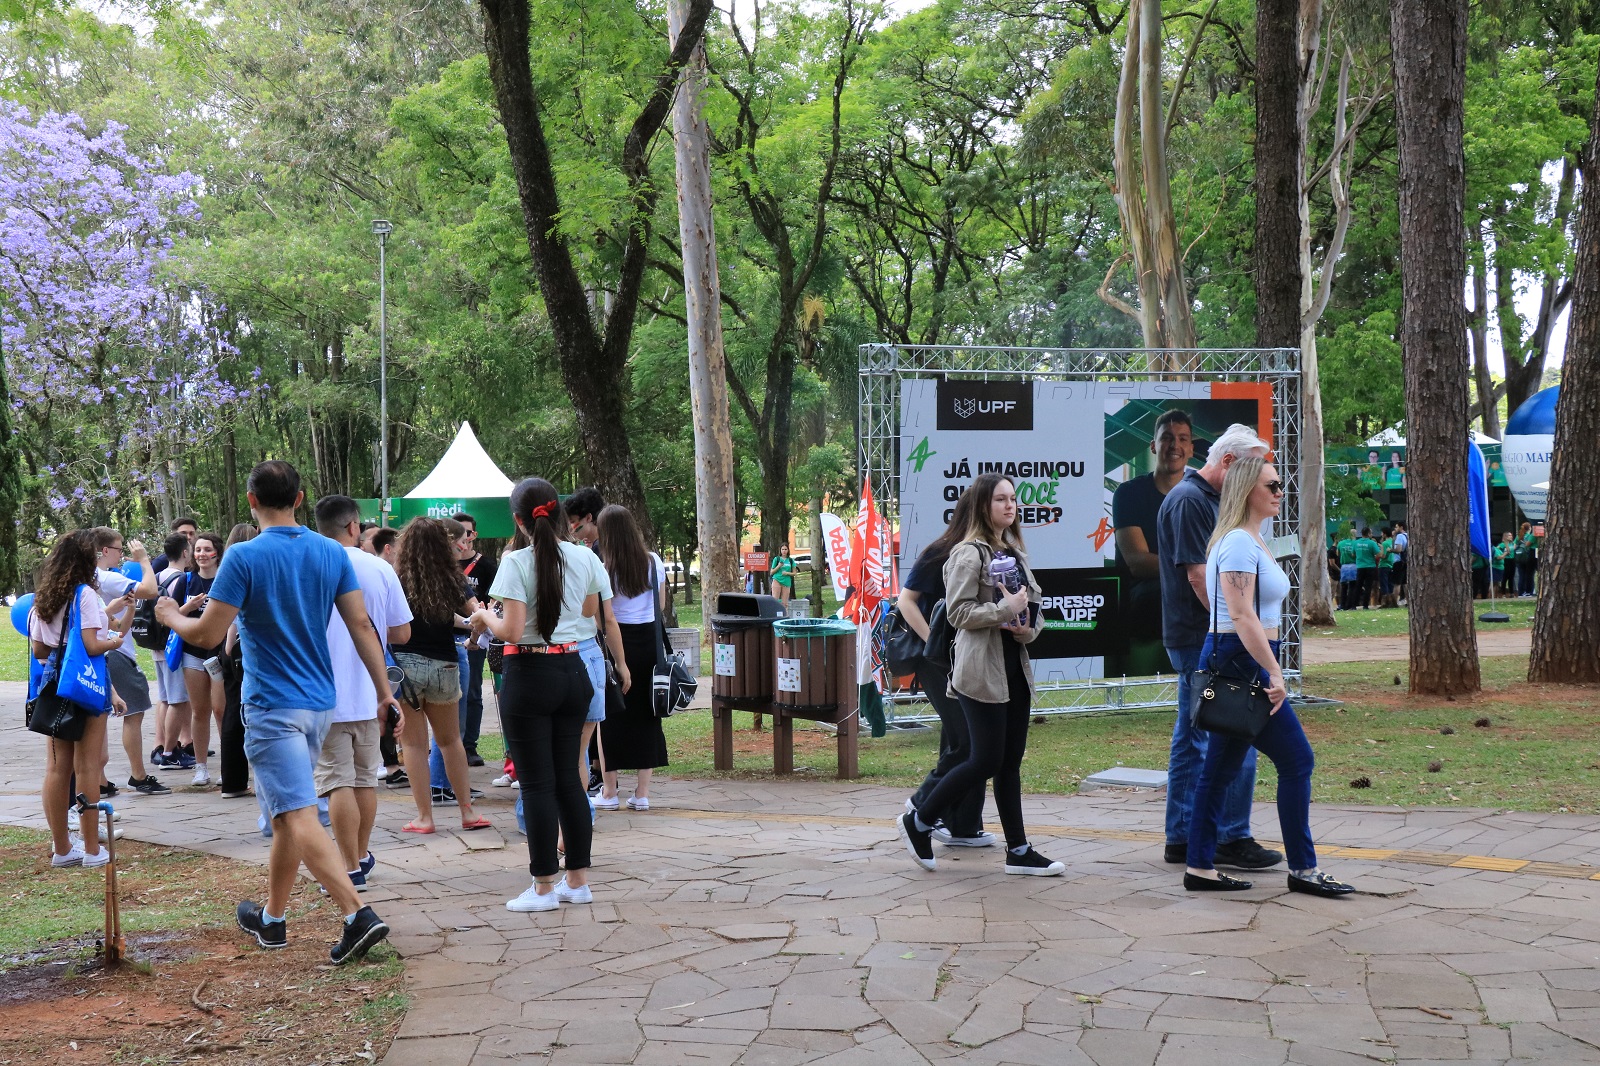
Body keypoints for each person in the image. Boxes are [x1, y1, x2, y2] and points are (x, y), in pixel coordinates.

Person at [155, 460, 395, 964]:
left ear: (250, 501)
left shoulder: (243, 556)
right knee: (289, 813)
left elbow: (208, 634)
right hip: (318, 705)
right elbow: (362, 627)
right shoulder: (331, 551)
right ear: (301, 498)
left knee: (298, 813)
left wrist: (170, 614)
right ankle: (273, 918)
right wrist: (383, 690)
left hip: (270, 705)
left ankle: (358, 915)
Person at [1183, 456, 1353, 898]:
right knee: (1297, 761)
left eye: (1280, 486)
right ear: (1246, 490)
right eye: (1272, 485)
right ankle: (1304, 868)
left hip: (1244, 656)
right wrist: (1273, 670)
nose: (1279, 492)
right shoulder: (1239, 542)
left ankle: (1199, 867)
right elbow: (1240, 614)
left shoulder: (1250, 539)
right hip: (1244, 659)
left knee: (1218, 770)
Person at [895, 473, 1064, 876]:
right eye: (1001, 499)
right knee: (984, 758)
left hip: (1013, 667)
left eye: (1013, 499)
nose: (1010, 506)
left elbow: (1034, 602)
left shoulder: (1014, 553)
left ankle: (1019, 851)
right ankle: (920, 818)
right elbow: (959, 614)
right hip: (978, 671)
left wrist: (1028, 627)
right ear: (982, 505)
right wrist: (1005, 612)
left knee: (1009, 763)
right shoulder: (967, 554)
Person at [473, 478, 610, 911]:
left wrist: (481, 616)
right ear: (558, 512)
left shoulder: (516, 562)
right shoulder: (584, 556)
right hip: (573, 670)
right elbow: (590, 610)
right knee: (570, 777)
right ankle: (578, 881)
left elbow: (510, 629)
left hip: (530, 674)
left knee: (535, 784)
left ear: (519, 520)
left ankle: (544, 887)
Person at [1155, 423, 1282, 872]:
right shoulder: (1191, 500)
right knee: (1216, 734)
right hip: (1202, 638)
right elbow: (1196, 575)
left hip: (1205, 637)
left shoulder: (1206, 499)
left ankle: (1192, 835)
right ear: (1227, 463)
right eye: (1252, 471)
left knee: (1203, 734)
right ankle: (1221, 835)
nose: (1260, 483)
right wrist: (1230, 631)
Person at [313, 496, 412, 890]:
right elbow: (403, 631)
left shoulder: (311, 565)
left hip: (322, 688)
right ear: (354, 526)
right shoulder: (377, 568)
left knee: (336, 781)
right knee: (364, 780)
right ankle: (362, 855)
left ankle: (349, 864)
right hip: (373, 689)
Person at [896, 488, 996, 850]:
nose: (1006, 510)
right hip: (938, 659)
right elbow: (906, 602)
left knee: (965, 739)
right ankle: (922, 805)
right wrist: (935, 643)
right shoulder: (940, 552)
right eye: (995, 504)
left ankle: (963, 824)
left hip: (967, 657)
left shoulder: (989, 554)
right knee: (967, 740)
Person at [31, 530, 122, 868]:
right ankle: (93, 850)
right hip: (86, 687)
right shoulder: (84, 594)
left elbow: (39, 648)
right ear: (86, 560)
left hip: (54, 687)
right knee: (87, 766)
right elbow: (92, 645)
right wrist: (113, 642)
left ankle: (62, 849)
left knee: (56, 769)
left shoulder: (45, 596)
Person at [390, 517, 487, 834]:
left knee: (415, 746)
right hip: (445, 664)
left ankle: (424, 817)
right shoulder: (452, 578)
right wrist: (473, 639)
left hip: (405, 666)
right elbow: (477, 616)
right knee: (451, 742)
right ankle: (467, 813)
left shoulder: (397, 578)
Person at [1109, 409, 1194, 676]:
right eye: (1167, 438)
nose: (1175, 446)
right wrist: (1196, 569)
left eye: (1182, 439)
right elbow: (1137, 563)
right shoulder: (1129, 493)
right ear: (1154, 446)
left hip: (1192, 584)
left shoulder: (1202, 493)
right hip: (1143, 594)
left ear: (1191, 448)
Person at [594, 505, 668, 810]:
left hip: (616, 643)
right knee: (646, 714)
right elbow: (659, 605)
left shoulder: (603, 567)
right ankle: (642, 793)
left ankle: (609, 792)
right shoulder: (653, 562)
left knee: (609, 715)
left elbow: (602, 618)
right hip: (649, 643)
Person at [92, 528, 169, 796]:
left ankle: (99, 781)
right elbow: (150, 589)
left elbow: (116, 624)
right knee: (134, 714)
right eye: (118, 548)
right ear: (104, 551)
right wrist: (144, 559)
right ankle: (138, 775)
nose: (121, 553)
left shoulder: (92, 579)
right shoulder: (108, 578)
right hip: (116, 654)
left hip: (107, 649)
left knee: (99, 718)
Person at [176, 532, 229, 787]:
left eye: (207, 549)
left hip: (220, 654)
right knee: (200, 711)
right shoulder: (185, 581)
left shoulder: (226, 580)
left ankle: (228, 766)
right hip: (192, 653)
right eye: (198, 550)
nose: (202, 554)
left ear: (217, 552)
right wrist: (189, 607)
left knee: (221, 710)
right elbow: (169, 614)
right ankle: (200, 768)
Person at [452, 512, 497, 768]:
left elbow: (493, 603)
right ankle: (449, 745)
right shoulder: (443, 565)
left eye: (467, 533)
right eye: (458, 534)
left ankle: (469, 746)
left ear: (474, 535)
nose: (463, 539)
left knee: (472, 691)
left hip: (476, 638)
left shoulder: (487, 566)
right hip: (450, 637)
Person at [217, 523, 258, 798]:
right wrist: (231, 649)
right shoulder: (244, 565)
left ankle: (232, 779)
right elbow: (235, 617)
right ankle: (233, 780)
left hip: (228, 646)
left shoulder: (227, 568)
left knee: (232, 710)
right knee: (236, 713)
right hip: (237, 646)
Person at [151, 533, 195, 772]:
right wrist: (192, 606)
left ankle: (167, 748)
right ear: (185, 553)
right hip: (174, 646)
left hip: (157, 646)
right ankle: (169, 752)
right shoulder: (181, 579)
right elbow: (175, 614)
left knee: (167, 698)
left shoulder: (158, 576)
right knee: (178, 700)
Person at [1334, 524, 1357, 611]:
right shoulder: (1355, 543)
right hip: (1353, 566)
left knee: (1343, 587)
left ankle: (1342, 605)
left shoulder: (1340, 543)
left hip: (1344, 566)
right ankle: (1351, 605)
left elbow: (1337, 554)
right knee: (1352, 586)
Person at [1515, 521, 1537, 597]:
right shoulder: (1531, 535)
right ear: (1530, 528)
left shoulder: (1519, 536)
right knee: (1530, 574)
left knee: (1522, 575)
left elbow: (1514, 547)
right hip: (1529, 556)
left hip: (1520, 557)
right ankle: (1530, 591)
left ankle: (1521, 592)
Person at [1377, 527, 1396, 608]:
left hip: (1383, 565)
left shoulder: (1384, 543)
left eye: (1382, 533)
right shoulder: (1393, 542)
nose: (1381, 535)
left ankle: (1385, 602)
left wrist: (1379, 552)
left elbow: (1383, 555)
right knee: (1390, 584)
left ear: (1384, 534)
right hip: (1391, 565)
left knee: (1384, 584)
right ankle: (1392, 601)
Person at [1390, 521, 1409, 604]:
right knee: (1405, 583)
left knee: (1397, 583)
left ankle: (1394, 602)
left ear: (1401, 527)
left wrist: (1390, 550)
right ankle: (1409, 601)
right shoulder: (1407, 536)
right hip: (1406, 562)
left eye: (1396, 527)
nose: (1395, 529)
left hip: (1398, 562)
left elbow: (1399, 549)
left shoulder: (1400, 536)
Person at [1494, 531, 1515, 595]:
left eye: (1511, 535)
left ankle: (1511, 592)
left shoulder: (1512, 544)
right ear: (1505, 537)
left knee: (1511, 577)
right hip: (1506, 560)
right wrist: (1503, 554)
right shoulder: (1502, 544)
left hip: (1512, 560)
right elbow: (1496, 550)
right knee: (1505, 577)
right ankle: (1503, 593)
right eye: (1509, 535)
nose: (1511, 537)